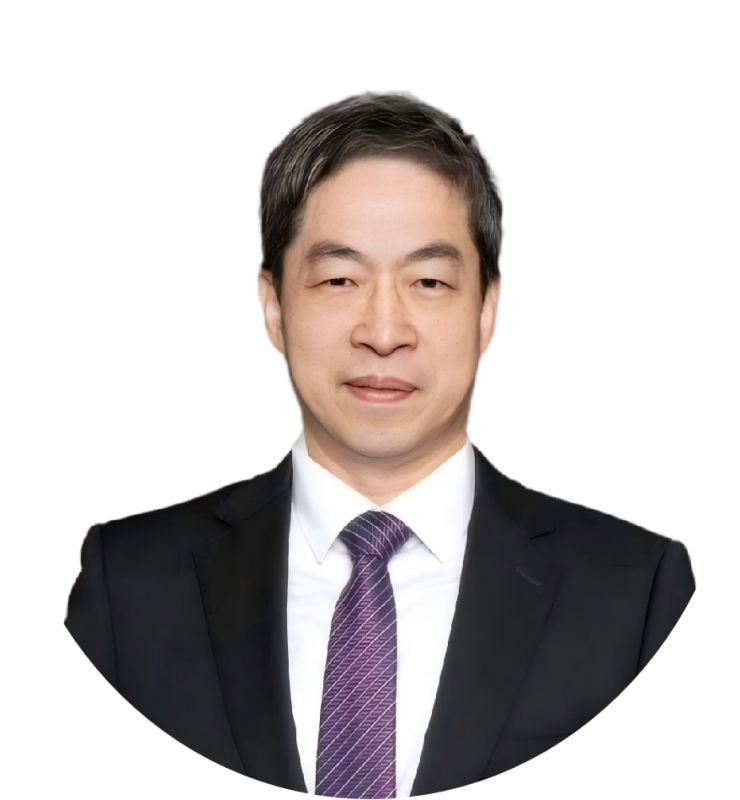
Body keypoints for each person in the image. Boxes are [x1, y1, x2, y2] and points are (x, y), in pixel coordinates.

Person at [64, 92, 695, 798]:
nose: (385, 332)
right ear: (275, 306)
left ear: (486, 308)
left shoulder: (637, 594)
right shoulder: (132, 586)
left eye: (429, 281)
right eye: (340, 280)